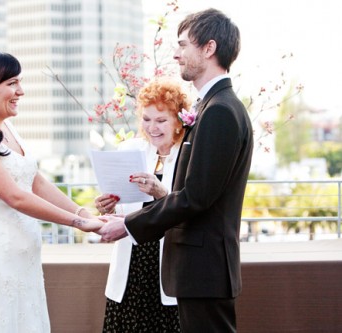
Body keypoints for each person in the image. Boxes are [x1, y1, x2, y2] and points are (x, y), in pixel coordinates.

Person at [99, 8, 254, 333]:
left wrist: (127, 225)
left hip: (204, 269)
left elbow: (196, 196)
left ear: (208, 48)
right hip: (201, 270)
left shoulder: (220, 111)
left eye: (183, 45)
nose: (176, 53)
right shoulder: (210, 107)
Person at [0, 47, 104, 333]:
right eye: (12, 83)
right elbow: (14, 196)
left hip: (24, 258)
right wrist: (80, 224)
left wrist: (83, 211)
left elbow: (36, 182)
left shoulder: (9, 130)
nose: (21, 91)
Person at [95, 79, 189, 332]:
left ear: (178, 121)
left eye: (161, 120)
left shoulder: (187, 155)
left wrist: (161, 193)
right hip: (131, 265)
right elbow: (122, 209)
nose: (152, 127)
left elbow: (190, 207)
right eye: (147, 119)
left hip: (168, 264)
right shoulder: (130, 149)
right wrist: (108, 207)